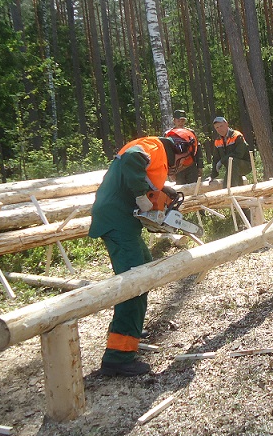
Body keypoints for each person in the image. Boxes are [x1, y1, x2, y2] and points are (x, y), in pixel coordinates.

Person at [89, 135, 192, 376]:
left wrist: (155, 193)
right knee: (136, 281)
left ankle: (128, 329)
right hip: (116, 219)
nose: (183, 165)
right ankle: (118, 356)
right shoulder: (155, 147)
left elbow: (141, 179)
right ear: (181, 148)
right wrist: (141, 195)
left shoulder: (157, 159)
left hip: (122, 220)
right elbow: (133, 158)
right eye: (185, 160)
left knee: (144, 268)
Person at [209, 116, 251, 187]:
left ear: (226, 124)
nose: (219, 129)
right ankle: (239, 192)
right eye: (217, 128)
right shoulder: (217, 141)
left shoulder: (237, 136)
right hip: (231, 168)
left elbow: (239, 154)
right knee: (232, 167)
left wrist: (222, 161)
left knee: (232, 161)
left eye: (221, 126)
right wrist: (212, 176)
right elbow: (215, 159)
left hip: (245, 165)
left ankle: (228, 190)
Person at [165, 109, 203, 185]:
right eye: (178, 121)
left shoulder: (191, 133)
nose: (180, 123)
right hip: (177, 169)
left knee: (194, 189)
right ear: (174, 121)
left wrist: (200, 166)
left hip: (191, 166)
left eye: (182, 121)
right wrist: (170, 172)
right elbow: (166, 154)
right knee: (180, 191)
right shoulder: (169, 134)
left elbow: (198, 149)